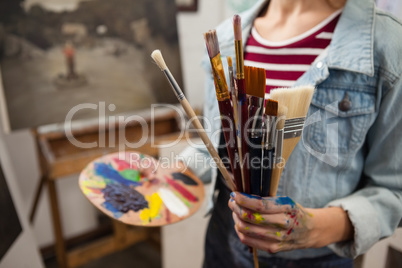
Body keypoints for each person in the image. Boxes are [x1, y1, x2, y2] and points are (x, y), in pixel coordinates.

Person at [180, 0, 402, 267]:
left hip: (314, 258)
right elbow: (220, 145)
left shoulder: (389, 44)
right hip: (224, 240)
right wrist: (171, 170)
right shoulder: (226, 37)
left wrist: (313, 228)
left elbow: (393, 190)